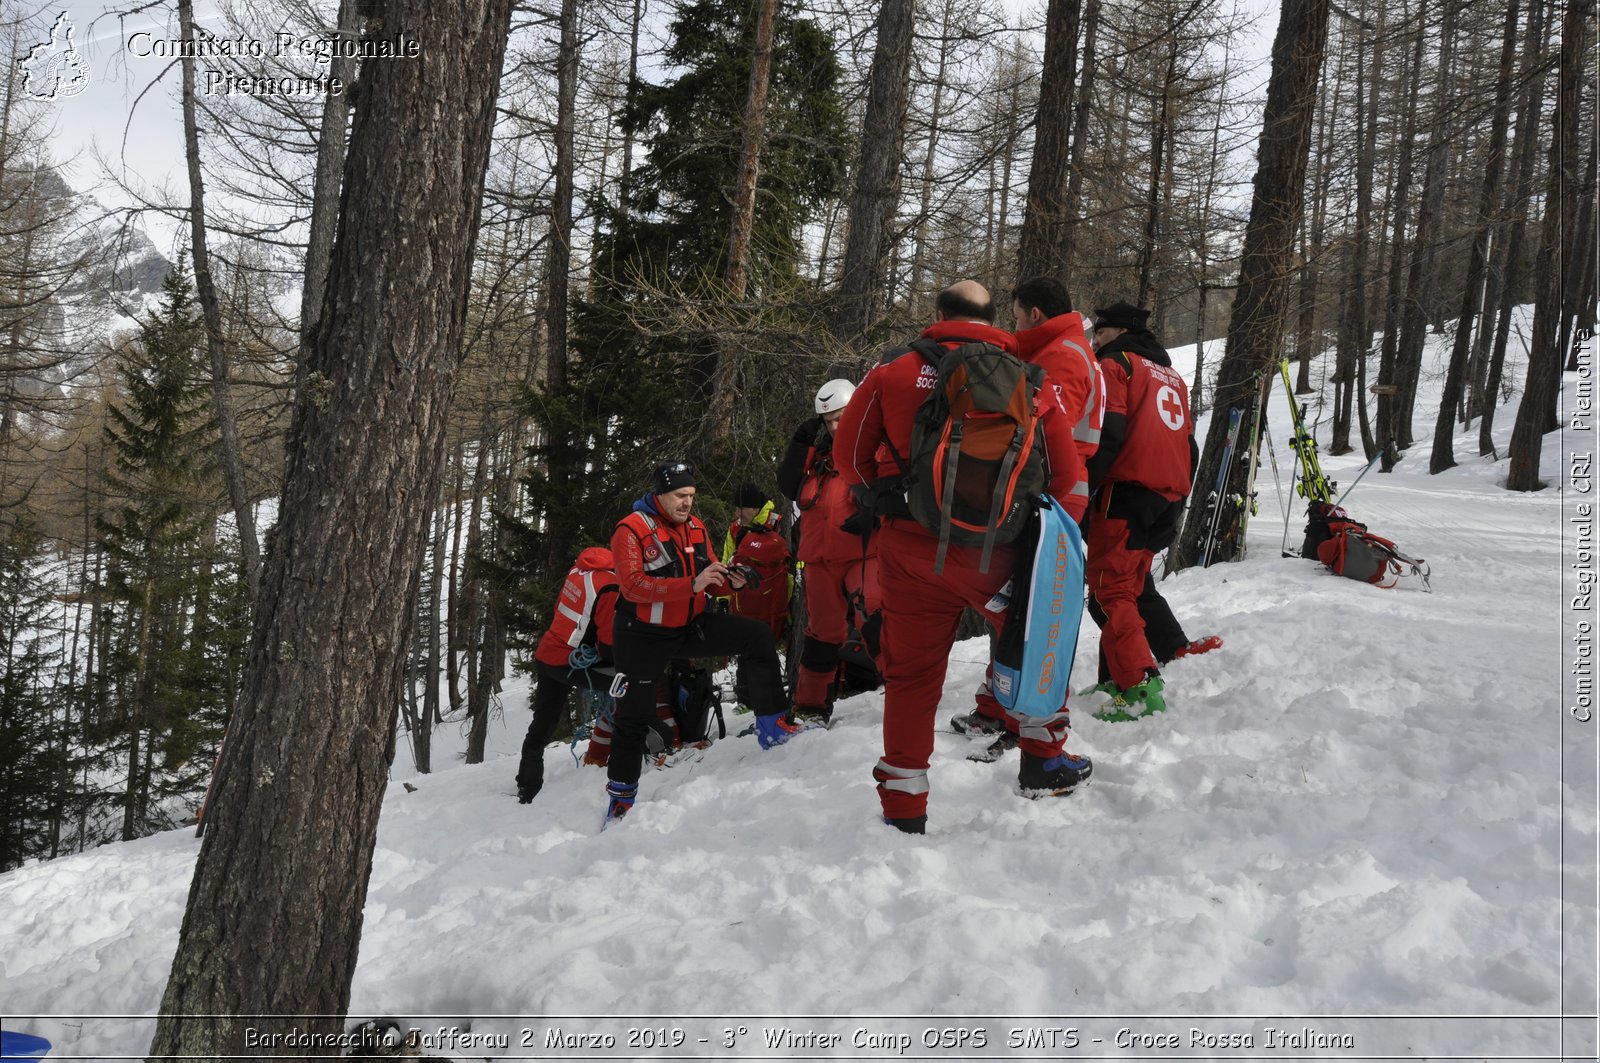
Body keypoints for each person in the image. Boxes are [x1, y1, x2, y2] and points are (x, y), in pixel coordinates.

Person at [834, 280, 1093, 834]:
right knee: (1037, 637)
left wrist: (883, 494)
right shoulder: (1028, 378)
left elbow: (848, 458)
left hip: (909, 551)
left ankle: (905, 804)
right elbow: (1069, 476)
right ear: (995, 318)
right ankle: (1044, 760)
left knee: (911, 676)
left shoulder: (894, 371)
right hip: (1000, 554)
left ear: (938, 314)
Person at [949, 276, 1102, 746]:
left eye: (1016, 316)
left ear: (1035, 314)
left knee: (1026, 609)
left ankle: (1024, 714)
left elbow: (1042, 431)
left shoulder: (1062, 356)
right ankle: (1000, 705)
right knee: (1015, 603)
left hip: (1052, 494)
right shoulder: (1069, 349)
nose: (1014, 324)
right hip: (1052, 492)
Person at [603, 460, 798, 824]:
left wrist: (732, 581)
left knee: (755, 637)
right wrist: (689, 586)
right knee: (632, 715)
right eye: (680, 495)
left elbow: (709, 572)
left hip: (689, 624)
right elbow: (632, 586)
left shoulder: (694, 526)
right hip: (642, 634)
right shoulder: (631, 529)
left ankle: (773, 725)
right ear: (660, 494)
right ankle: (620, 798)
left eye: (691, 495)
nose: (687, 503)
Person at [1082, 300, 1201, 720]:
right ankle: (1115, 677)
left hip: (1126, 491)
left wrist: (1084, 486)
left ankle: (1138, 686)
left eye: (1099, 332)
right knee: (1128, 588)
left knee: (1109, 588)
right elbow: (1190, 445)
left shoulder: (1117, 367)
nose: (1094, 340)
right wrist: (1180, 496)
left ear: (1117, 332)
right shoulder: (1172, 376)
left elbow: (1109, 432)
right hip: (1167, 497)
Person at [777, 378, 881, 724]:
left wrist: (873, 516)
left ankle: (908, 688)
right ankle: (811, 705)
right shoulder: (816, 456)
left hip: (864, 553)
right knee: (822, 632)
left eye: (841, 417)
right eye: (828, 420)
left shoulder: (874, 446)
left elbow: (895, 485)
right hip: (819, 557)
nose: (835, 426)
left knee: (876, 618)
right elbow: (789, 485)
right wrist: (800, 442)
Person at [514, 546, 619, 803]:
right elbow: (607, 643)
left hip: (548, 653)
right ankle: (638, 753)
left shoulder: (578, 570)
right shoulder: (610, 586)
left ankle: (527, 786)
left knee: (543, 724)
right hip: (571, 662)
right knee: (630, 684)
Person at [720, 482, 792, 643]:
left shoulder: (778, 525)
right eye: (736, 508)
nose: (737, 513)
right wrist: (723, 599)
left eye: (741, 509)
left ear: (754, 508)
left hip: (771, 608)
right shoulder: (735, 529)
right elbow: (726, 563)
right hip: (743, 605)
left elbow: (793, 566)